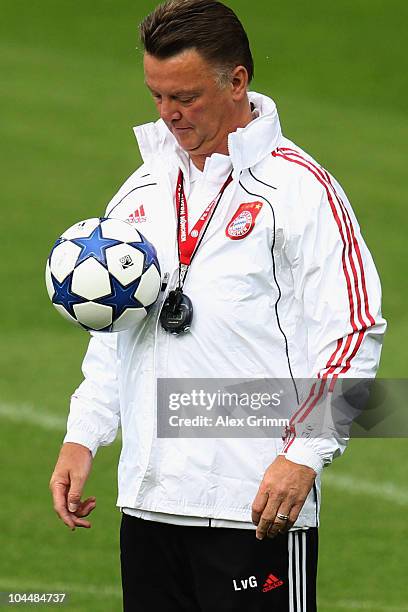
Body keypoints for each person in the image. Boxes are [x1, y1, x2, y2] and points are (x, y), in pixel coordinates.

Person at [49, 1, 387, 610]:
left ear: (237, 81)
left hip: (255, 508)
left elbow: (355, 331)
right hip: (149, 507)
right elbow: (114, 327)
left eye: (185, 95)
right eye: (156, 96)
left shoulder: (301, 192)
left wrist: (305, 452)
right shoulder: (143, 190)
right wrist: (83, 435)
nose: (168, 113)